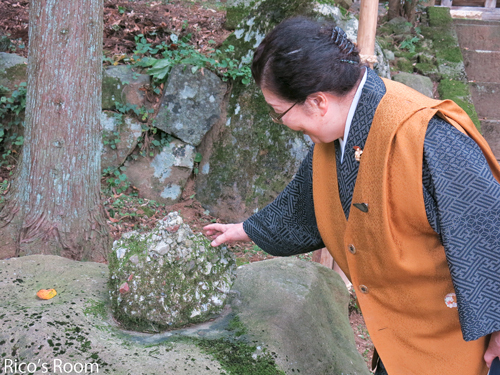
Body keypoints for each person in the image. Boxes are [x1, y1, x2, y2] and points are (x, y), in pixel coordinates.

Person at [203, 17, 500, 375]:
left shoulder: (431, 138)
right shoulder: (338, 134)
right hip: (398, 338)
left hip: (454, 345)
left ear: (317, 102)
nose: (281, 122)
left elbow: (488, 233)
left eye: (279, 112)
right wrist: (246, 230)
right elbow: (306, 204)